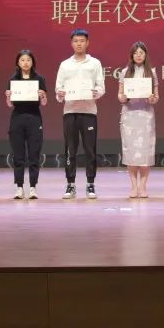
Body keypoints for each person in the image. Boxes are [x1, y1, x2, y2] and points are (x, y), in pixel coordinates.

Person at [54, 28, 106, 200]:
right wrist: (60, 94)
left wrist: (96, 93)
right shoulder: (65, 64)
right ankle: (71, 184)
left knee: (90, 150)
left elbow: (101, 87)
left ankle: (90, 184)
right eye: (76, 41)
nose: (79, 44)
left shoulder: (95, 63)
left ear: (87, 43)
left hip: (89, 111)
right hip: (70, 111)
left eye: (82, 41)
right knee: (70, 150)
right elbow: (59, 88)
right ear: (71, 43)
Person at [117, 42, 159, 199]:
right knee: (131, 152)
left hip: (146, 116)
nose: (139, 55)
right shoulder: (125, 72)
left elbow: (156, 97)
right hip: (129, 116)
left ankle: (143, 187)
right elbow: (120, 95)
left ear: (146, 55)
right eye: (136, 53)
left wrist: (152, 98)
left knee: (145, 152)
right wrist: (123, 97)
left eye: (141, 52)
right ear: (132, 55)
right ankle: (134, 187)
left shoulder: (151, 72)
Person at [5, 49, 48, 200]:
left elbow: (44, 103)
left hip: (34, 118)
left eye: (28, 60)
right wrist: (8, 97)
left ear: (32, 62)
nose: (25, 63)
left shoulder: (39, 78)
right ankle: (19, 187)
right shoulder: (13, 79)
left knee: (34, 154)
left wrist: (43, 96)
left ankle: (33, 187)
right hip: (17, 118)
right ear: (18, 62)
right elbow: (10, 104)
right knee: (18, 154)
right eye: (22, 60)